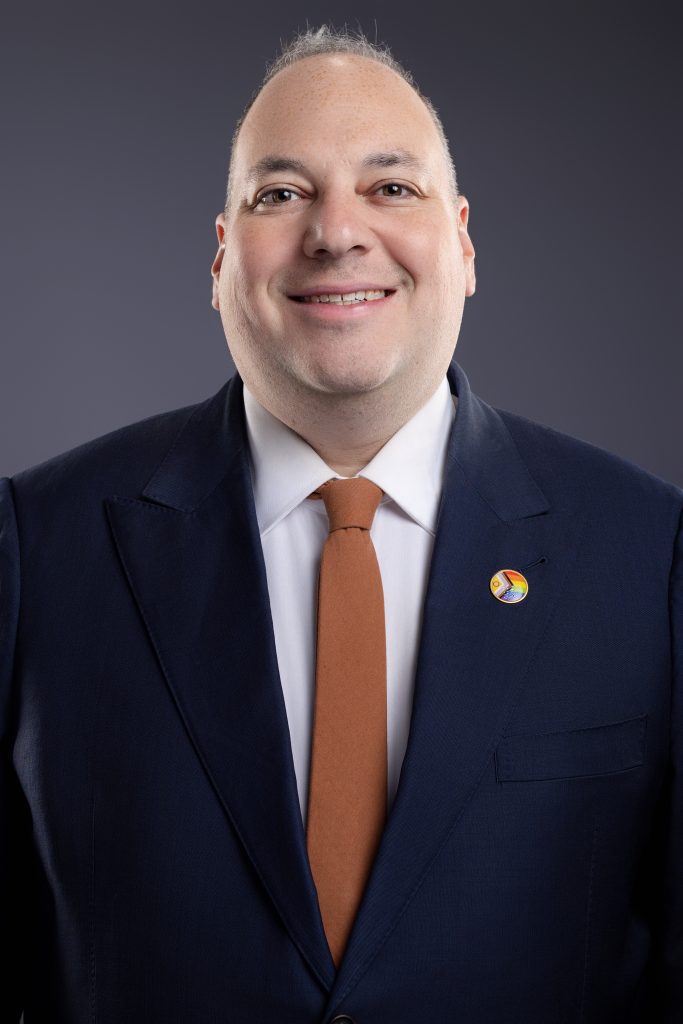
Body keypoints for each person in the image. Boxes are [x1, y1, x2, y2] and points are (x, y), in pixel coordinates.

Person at [1, 25, 681, 1024]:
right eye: (279, 193)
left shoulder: (646, 553)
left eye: (388, 186)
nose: (334, 231)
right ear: (221, 257)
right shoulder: (37, 547)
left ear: (462, 243)